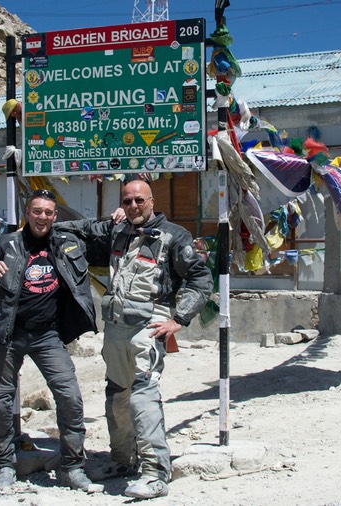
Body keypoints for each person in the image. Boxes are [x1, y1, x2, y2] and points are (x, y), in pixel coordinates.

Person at [55, 180, 213, 499]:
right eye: (127, 201)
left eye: (139, 200)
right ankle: (123, 461)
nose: (133, 206)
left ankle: (156, 473)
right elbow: (67, 228)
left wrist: (178, 318)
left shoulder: (174, 236)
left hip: (149, 324)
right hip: (115, 326)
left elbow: (201, 279)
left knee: (143, 394)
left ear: (151, 201)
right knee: (117, 395)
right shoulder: (117, 230)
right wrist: (107, 219)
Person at [0, 189, 99, 493]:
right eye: (37, 211)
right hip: (9, 335)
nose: (43, 217)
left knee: (71, 397)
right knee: (2, 401)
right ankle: (5, 467)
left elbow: (97, 232)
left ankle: (72, 468)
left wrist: (117, 216)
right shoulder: (7, 244)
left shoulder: (63, 242)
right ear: (28, 213)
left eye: (49, 212)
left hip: (48, 335)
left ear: (55, 216)